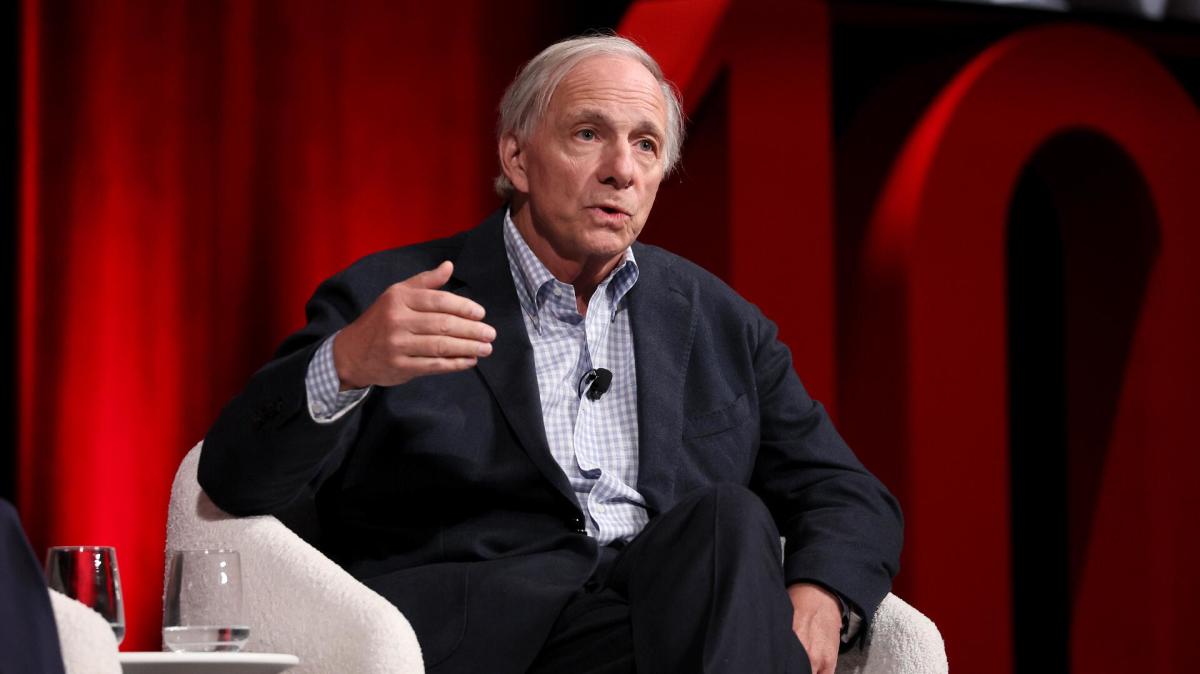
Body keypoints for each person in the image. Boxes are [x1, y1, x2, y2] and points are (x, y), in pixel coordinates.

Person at [200, 34, 901, 674]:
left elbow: (845, 492)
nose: (621, 171)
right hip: (487, 643)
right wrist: (345, 364)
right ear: (517, 159)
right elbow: (235, 479)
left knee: (728, 520)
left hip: (660, 628)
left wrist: (823, 591)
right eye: (588, 135)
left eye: (646, 145)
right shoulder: (395, 298)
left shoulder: (719, 322)